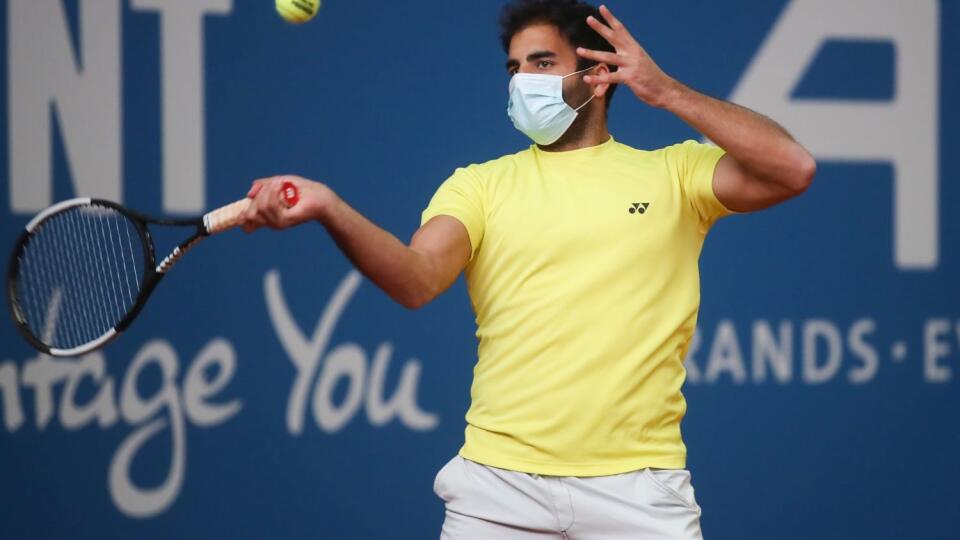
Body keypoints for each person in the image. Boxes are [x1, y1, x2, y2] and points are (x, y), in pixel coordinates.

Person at [240, 1, 815, 538]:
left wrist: (666, 92)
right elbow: (415, 279)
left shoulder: (676, 174)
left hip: (639, 488)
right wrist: (330, 207)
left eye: (542, 63)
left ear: (596, 71)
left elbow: (793, 167)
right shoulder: (478, 186)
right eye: (514, 68)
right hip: (497, 489)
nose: (524, 81)